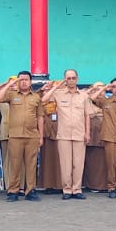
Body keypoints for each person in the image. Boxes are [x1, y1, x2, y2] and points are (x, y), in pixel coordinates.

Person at [0, 72, 45, 201]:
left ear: (30, 82)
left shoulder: (36, 97)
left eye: (26, 80)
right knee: (15, 165)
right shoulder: (12, 95)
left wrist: (41, 136)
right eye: (21, 80)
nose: (23, 82)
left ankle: (30, 191)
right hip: (15, 136)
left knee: (31, 165)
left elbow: (40, 117)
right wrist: (10, 84)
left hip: (32, 136)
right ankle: (13, 191)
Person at [44, 69, 93, 199]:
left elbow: (87, 115)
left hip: (79, 133)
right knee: (65, 164)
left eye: (73, 78)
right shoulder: (59, 94)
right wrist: (57, 87)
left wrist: (87, 133)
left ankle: (77, 189)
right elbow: (44, 99)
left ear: (77, 79)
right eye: (68, 78)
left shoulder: (84, 96)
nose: (71, 80)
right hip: (64, 134)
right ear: (65, 79)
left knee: (78, 163)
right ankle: (67, 190)